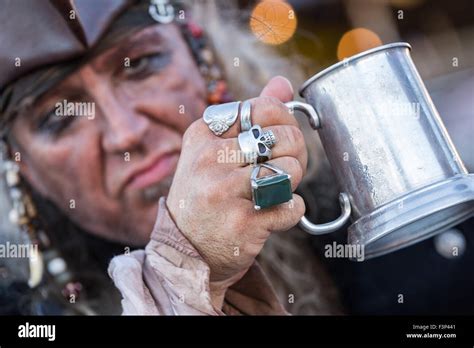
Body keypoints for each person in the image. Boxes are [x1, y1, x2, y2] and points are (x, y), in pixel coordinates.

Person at [0, 0, 342, 315]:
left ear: (204, 60)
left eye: (140, 65)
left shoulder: (345, 201)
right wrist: (183, 274)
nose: (126, 133)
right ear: (22, 165)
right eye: (61, 116)